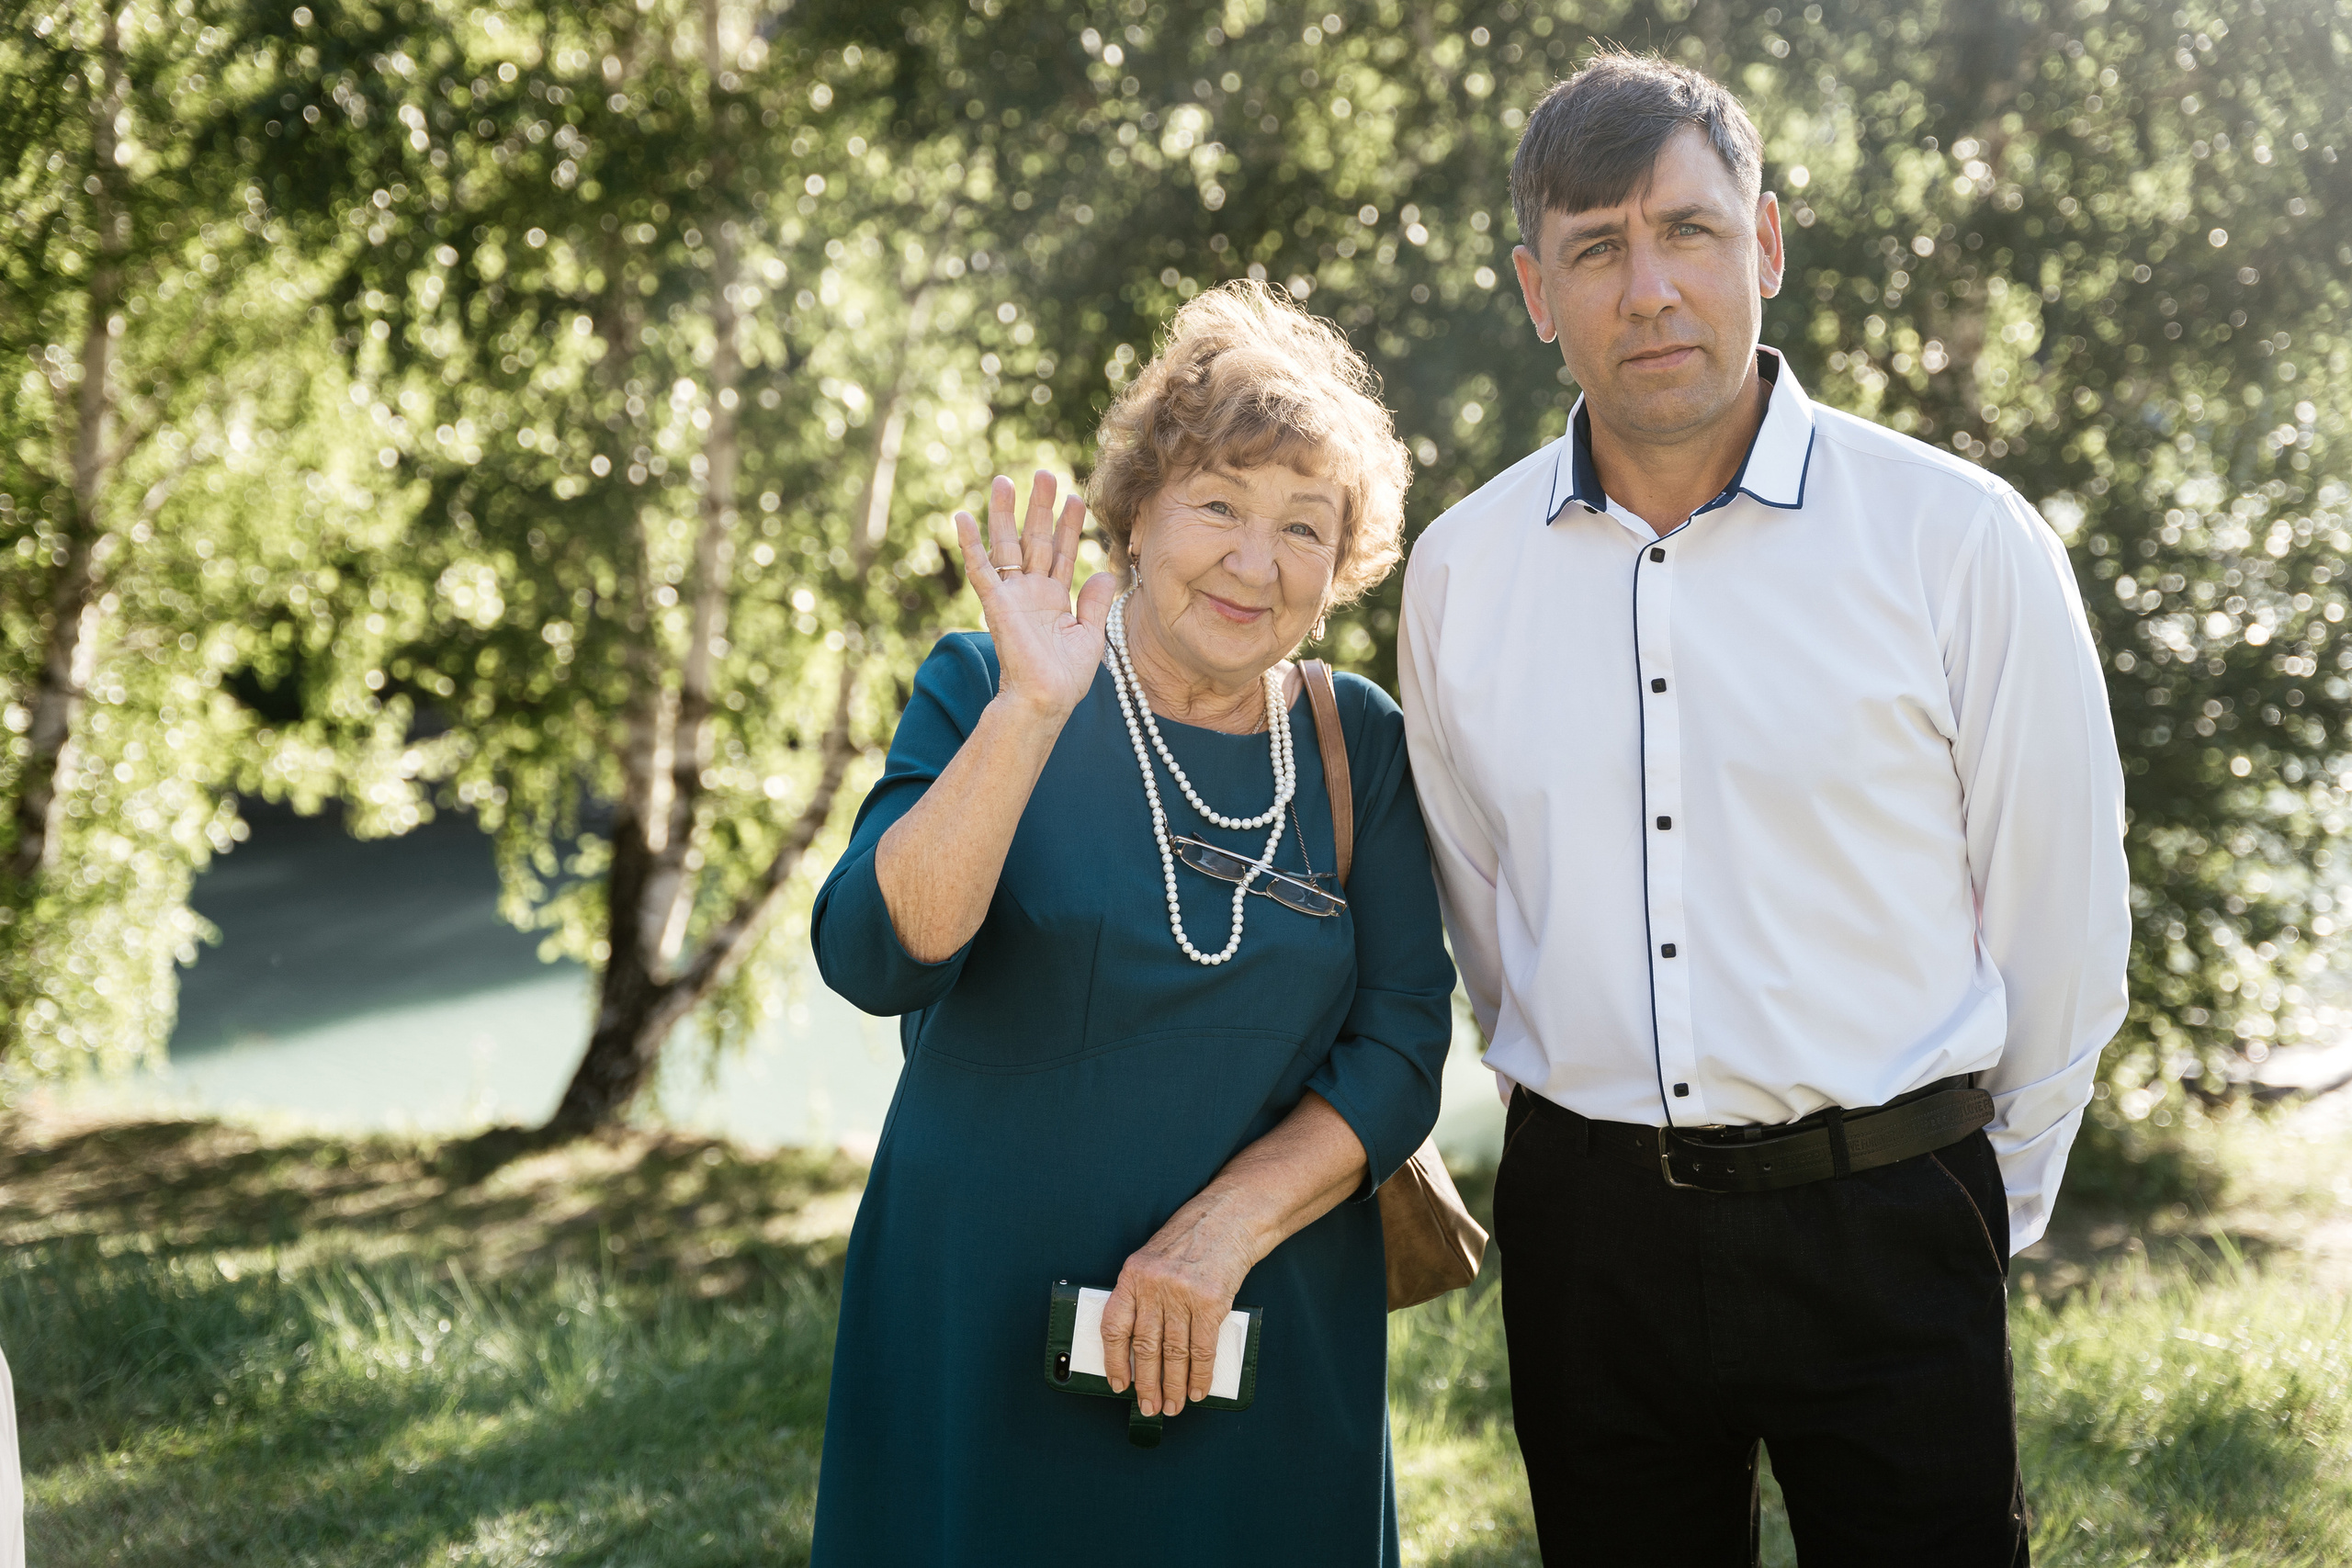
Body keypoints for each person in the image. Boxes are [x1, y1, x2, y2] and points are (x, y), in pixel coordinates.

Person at [1398, 51, 2130, 1567]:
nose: (1648, 288)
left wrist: (1990, 1200)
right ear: (1538, 293)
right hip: (1591, 1242)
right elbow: (1485, 910)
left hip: (1891, 1217)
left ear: (1769, 246)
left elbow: (2061, 908)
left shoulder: (1958, 541)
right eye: (1596, 249)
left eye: (1688, 231)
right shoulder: (1463, 572)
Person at [808, 279, 1455, 1565]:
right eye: (1218, 503)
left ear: (1345, 565)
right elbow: (874, 957)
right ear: (1139, 516)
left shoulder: (1353, 741)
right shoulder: (992, 680)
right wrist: (1031, 717)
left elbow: (1399, 1052)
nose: (1254, 561)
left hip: (1262, 1320)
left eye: (1304, 527)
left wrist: (1214, 1240)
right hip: (979, 1315)